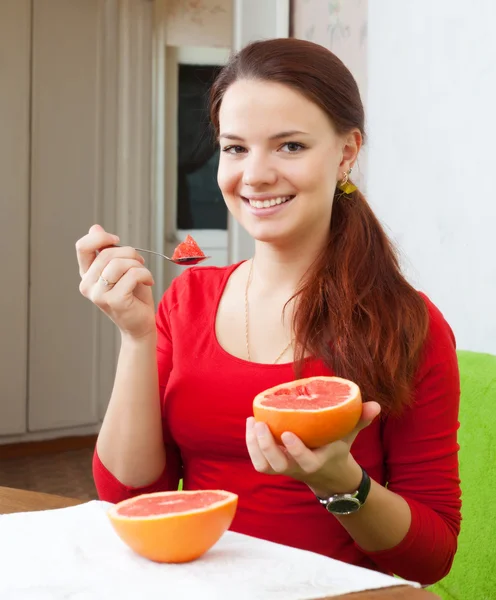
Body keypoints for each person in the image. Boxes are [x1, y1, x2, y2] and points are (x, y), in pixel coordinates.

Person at [76, 38, 461, 585]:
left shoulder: (409, 324)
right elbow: (132, 497)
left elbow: (431, 558)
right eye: (235, 148)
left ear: (347, 152)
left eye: (290, 146)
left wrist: (340, 484)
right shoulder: (186, 301)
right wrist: (135, 338)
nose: (254, 175)